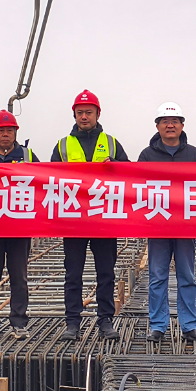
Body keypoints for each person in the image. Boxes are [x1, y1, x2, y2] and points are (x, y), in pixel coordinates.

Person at [50, 89, 126, 341]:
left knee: (106, 273)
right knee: (73, 274)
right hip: (74, 220)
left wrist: (114, 166)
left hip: (104, 219)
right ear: (74, 115)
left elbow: (130, 175)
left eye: (89, 112)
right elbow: (48, 179)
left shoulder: (112, 143)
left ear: (97, 114)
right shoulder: (62, 146)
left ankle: (105, 321)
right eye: (80, 112)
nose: (84, 117)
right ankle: (72, 322)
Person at [138, 102, 196, 344]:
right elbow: (137, 187)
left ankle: (189, 325)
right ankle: (158, 325)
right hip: (157, 226)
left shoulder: (195, 155)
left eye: (175, 121)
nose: (170, 125)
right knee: (157, 276)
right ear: (157, 126)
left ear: (182, 125)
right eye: (165, 121)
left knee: (187, 276)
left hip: (186, 226)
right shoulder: (147, 156)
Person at [0, 110, 37, 339]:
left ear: (15, 133)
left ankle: (19, 322)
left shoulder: (28, 156)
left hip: (19, 228)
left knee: (19, 277)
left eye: (9, 130)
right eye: (1, 131)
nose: (5, 134)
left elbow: (43, 186)